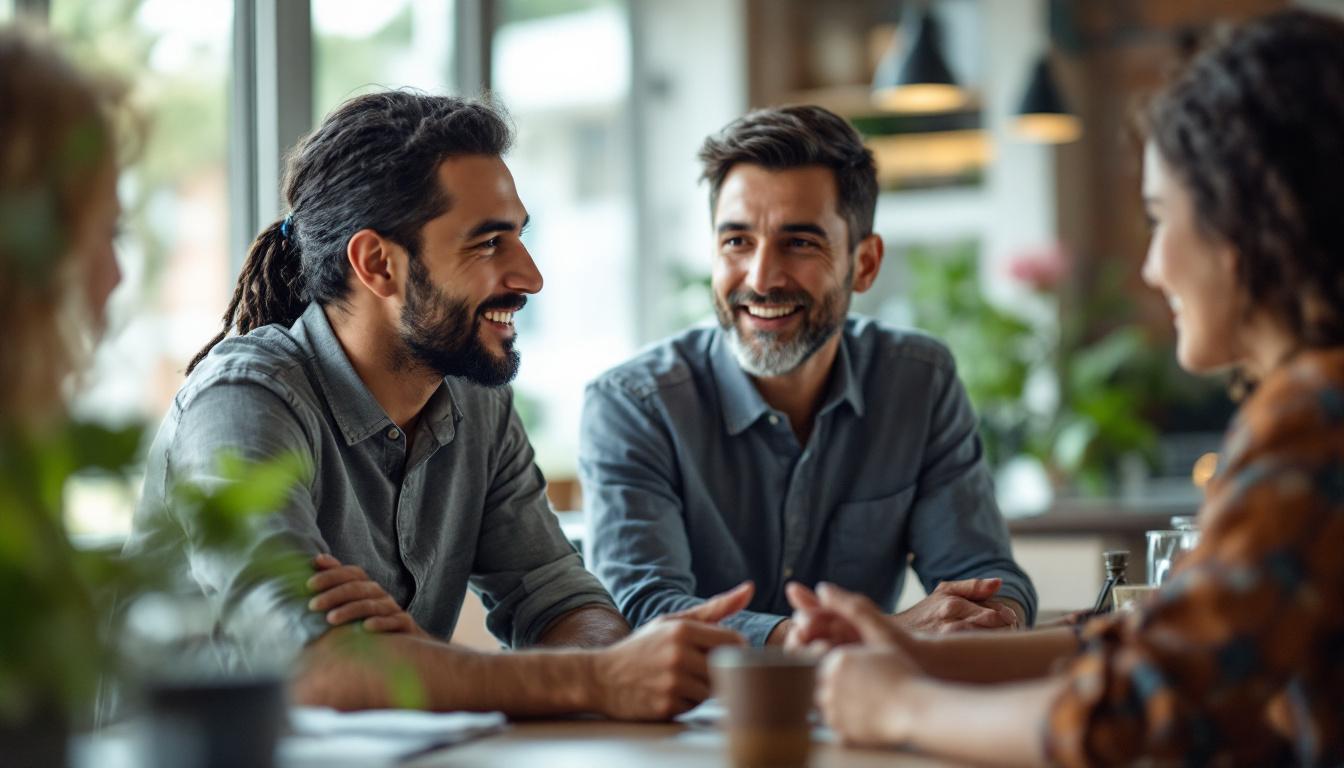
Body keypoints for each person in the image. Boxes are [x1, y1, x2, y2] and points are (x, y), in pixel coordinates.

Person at [795, 9, 1344, 766]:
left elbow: (1139, 714)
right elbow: (1156, 644)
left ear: (1249, 215)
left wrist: (902, 707)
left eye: (1160, 218)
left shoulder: (1316, 412)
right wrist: (911, 651)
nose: (1152, 267)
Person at [128, 91, 748, 719]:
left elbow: (569, 608)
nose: (530, 276)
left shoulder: (476, 401)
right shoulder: (243, 401)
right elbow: (310, 666)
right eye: (487, 244)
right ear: (378, 264)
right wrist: (593, 680)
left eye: (519, 237)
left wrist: (420, 659)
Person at [579, 105, 1037, 647]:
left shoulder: (918, 382)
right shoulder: (634, 404)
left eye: (799, 243)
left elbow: (985, 571)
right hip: (688, 721)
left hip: (867, 712)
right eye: (737, 241)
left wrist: (995, 614)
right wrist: (876, 634)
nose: (762, 278)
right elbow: (645, 609)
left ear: (863, 264)